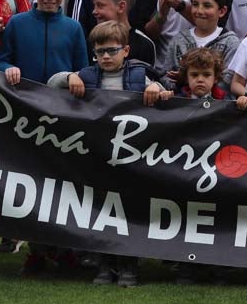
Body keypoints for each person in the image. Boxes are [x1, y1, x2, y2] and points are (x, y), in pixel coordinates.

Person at [47, 20, 164, 288]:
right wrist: (69, 77)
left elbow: (166, 90)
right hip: (98, 157)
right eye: (100, 52)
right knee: (101, 211)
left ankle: (129, 265)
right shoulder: (87, 76)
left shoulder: (138, 76)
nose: (106, 57)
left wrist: (155, 88)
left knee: (130, 212)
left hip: (133, 158)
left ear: (126, 50)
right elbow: (51, 85)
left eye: (112, 50)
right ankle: (104, 264)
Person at [0, 0, 88, 276]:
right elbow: (3, 58)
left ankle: (65, 250)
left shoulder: (74, 28)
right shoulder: (18, 23)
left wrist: (77, 77)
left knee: (62, 183)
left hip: (62, 116)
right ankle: (36, 251)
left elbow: (83, 68)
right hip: (26, 113)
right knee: (31, 183)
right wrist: (8, 67)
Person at [0, 0, 88, 87]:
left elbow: (83, 70)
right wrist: (8, 68)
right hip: (23, 98)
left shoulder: (74, 28)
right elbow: (1, 61)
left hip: (62, 101)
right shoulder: (16, 23)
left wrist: (74, 78)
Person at [159, 0, 240, 91]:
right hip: (182, 106)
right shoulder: (178, 40)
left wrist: (190, 81)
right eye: (195, 4)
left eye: (207, 6)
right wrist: (181, 83)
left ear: (222, 11)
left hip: (217, 107)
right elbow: (164, 77)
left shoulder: (230, 42)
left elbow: (228, 81)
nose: (199, 11)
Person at [90, 0, 157, 67]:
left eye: (100, 5)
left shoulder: (143, 44)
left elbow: (148, 78)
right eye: (100, 51)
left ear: (121, 7)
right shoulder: (92, 41)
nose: (94, 11)